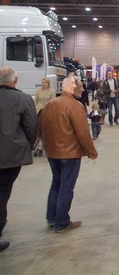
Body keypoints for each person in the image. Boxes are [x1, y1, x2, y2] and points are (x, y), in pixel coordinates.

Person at [38, 75, 98, 233]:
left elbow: (40, 128)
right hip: (69, 154)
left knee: (56, 184)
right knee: (66, 188)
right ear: (73, 87)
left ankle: (52, 218)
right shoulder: (76, 106)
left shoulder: (50, 105)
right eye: (81, 87)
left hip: (52, 153)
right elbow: (82, 132)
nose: (83, 89)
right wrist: (92, 152)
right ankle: (62, 222)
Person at [0, 67, 37, 253]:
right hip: (10, 156)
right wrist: (27, 146)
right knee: (2, 195)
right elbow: (31, 127)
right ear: (16, 80)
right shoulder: (23, 99)